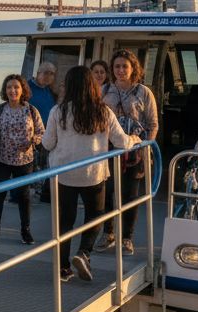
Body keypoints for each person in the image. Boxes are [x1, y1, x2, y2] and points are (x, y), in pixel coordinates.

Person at [43, 65, 139, 281]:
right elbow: (122, 142)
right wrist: (135, 139)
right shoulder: (104, 111)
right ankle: (84, 252)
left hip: (63, 173)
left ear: (69, 86)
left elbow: (48, 144)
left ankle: (63, 269)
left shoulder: (58, 111)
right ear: (92, 86)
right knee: (95, 216)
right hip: (93, 174)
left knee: (65, 221)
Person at [95, 50, 159, 256]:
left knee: (130, 196)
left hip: (134, 153)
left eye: (125, 66)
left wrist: (146, 147)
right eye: (117, 67)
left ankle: (127, 238)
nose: (120, 70)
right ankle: (109, 234)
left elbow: (153, 123)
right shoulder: (104, 90)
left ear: (133, 69)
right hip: (109, 150)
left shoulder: (143, 92)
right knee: (107, 194)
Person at [0, 74, 44, 245]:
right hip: (2, 159)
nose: (13, 90)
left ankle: (25, 230)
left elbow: (41, 131)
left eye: (16, 87)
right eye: (9, 87)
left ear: (22, 89)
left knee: (24, 196)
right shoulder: (0, 110)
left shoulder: (31, 110)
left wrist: (34, 141)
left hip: (25, 160)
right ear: (5, 90)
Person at [28, 62, 59, 203]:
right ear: (38, 72)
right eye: (46, 72)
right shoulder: (27, 88)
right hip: (33, 134)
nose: (48, 76)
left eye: (52, 74)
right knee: (33, 165)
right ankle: (28, 193)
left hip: (49, 133)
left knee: (47, 164)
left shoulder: (48, 90)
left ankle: (44, 193)